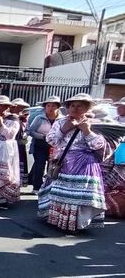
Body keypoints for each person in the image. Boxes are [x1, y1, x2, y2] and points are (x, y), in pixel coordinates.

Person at [38, 93, 107, 232]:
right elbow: (51, 140)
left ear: (86, 108)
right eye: (72, 106)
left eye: (79, 106)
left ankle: (77, 223)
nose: (75, 109)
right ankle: (59, 220)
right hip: (63, 162)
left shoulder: (93, 124)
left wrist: (87, 131)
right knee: (60, 192)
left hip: (84, 165)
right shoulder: (60, 122)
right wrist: (65, 128)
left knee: (79, 194)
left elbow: (99, 146)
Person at [27, 96, 63, 194]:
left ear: (58, 107)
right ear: (45, 107)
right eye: (48, 105)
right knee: (39, 165)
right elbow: (30, 131)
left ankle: (49, 186)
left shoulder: (62, 119)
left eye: (53, 106)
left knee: (51, 167)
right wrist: (42, 136)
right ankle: (37, 187)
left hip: (55, 146)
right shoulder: (39, 118)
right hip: (40, 144)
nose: (50, 108)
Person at [11, 98, 31, 187]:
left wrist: (25, 133)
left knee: (20, 162)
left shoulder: (24, 119)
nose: (20, 109)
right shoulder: (9, 117)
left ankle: (18, 182)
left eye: (22, 107)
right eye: (18, 107)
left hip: (20, 144)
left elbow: (28, 130)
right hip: (11, 144)